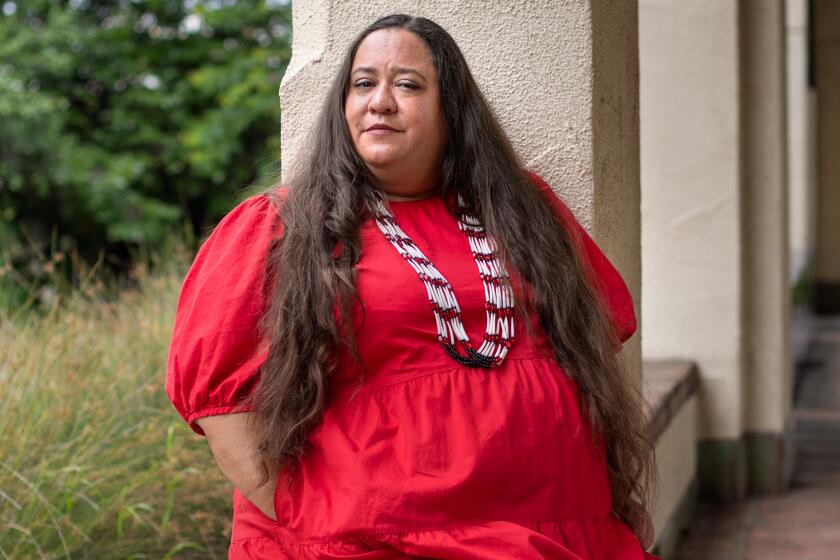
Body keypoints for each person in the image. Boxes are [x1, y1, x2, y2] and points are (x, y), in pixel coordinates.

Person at [166, 13, 659, 560]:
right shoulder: (281, 227)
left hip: (558, 524)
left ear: (452, 110)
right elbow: (222, 404)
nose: (380, 101)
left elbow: (592, 341)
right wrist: (310, 516)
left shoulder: (522, 209)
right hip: (380, 540)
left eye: (407, 84)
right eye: (363, 83)